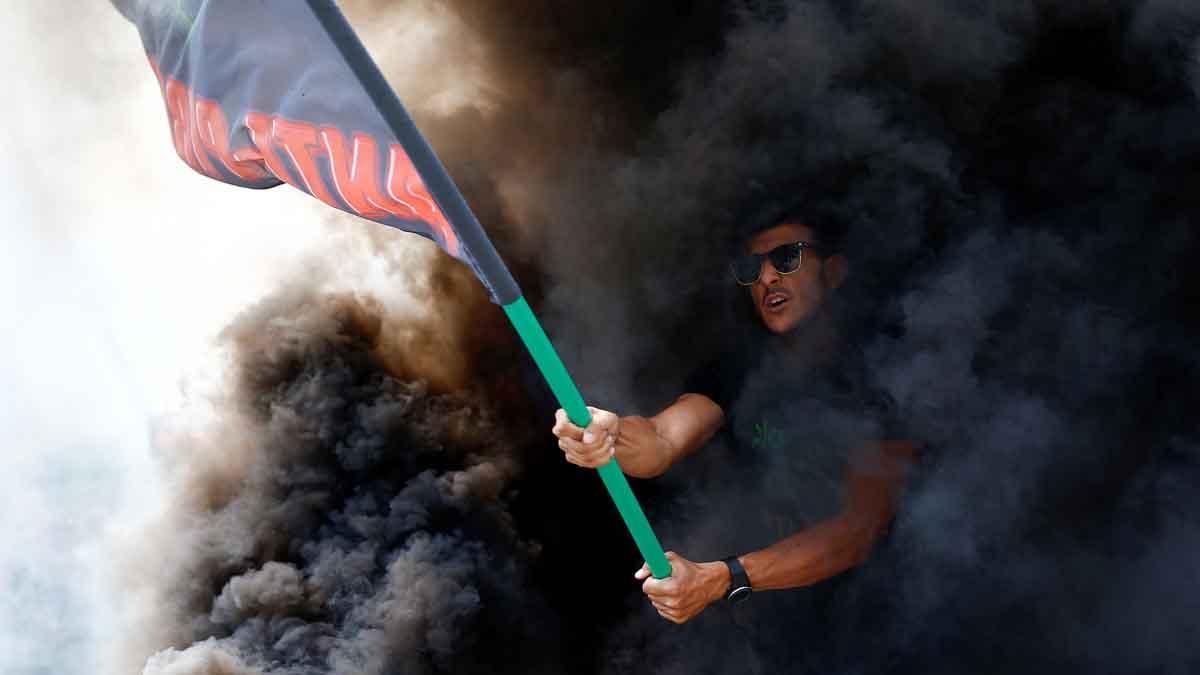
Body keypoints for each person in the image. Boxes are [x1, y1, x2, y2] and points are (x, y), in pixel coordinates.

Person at [551, 210, 916, 625]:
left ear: (832, 272)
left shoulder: (886, 369)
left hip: (876, 615)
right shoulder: (740, 368)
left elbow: (858, 531)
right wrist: (610, 434)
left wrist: (722, 577)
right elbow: (662, 439)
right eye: (751, 268)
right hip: (765, 616)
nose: (766, 279)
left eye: (786, 258)